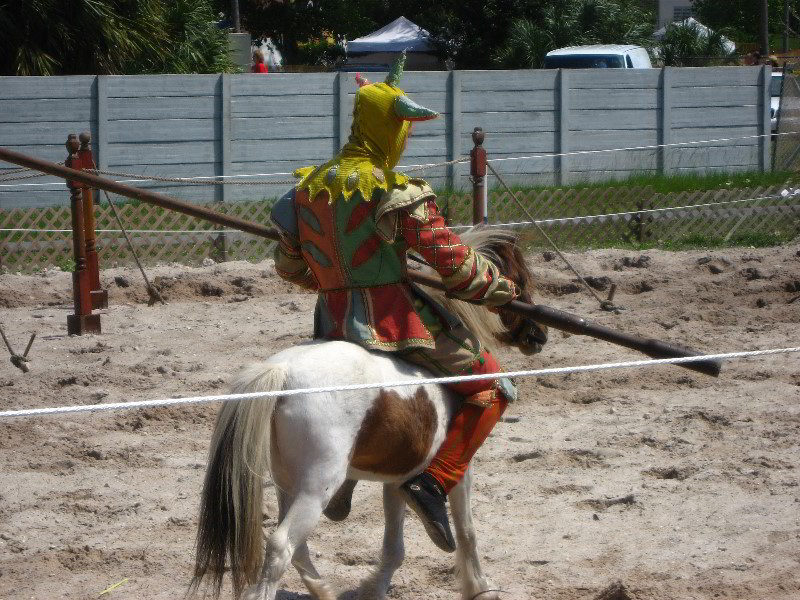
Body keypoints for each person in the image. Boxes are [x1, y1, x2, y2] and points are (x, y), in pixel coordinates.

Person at [269, 54, 520, 553]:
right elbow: (453, 264)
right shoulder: (396, 191)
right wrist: (500, 289)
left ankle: (344, 478)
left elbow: (290, 268)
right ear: (392, 130)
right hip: (395, 320)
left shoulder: (306, 190)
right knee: (492, 383)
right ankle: (434, 482)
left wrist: (334, 278)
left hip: (331, 322)